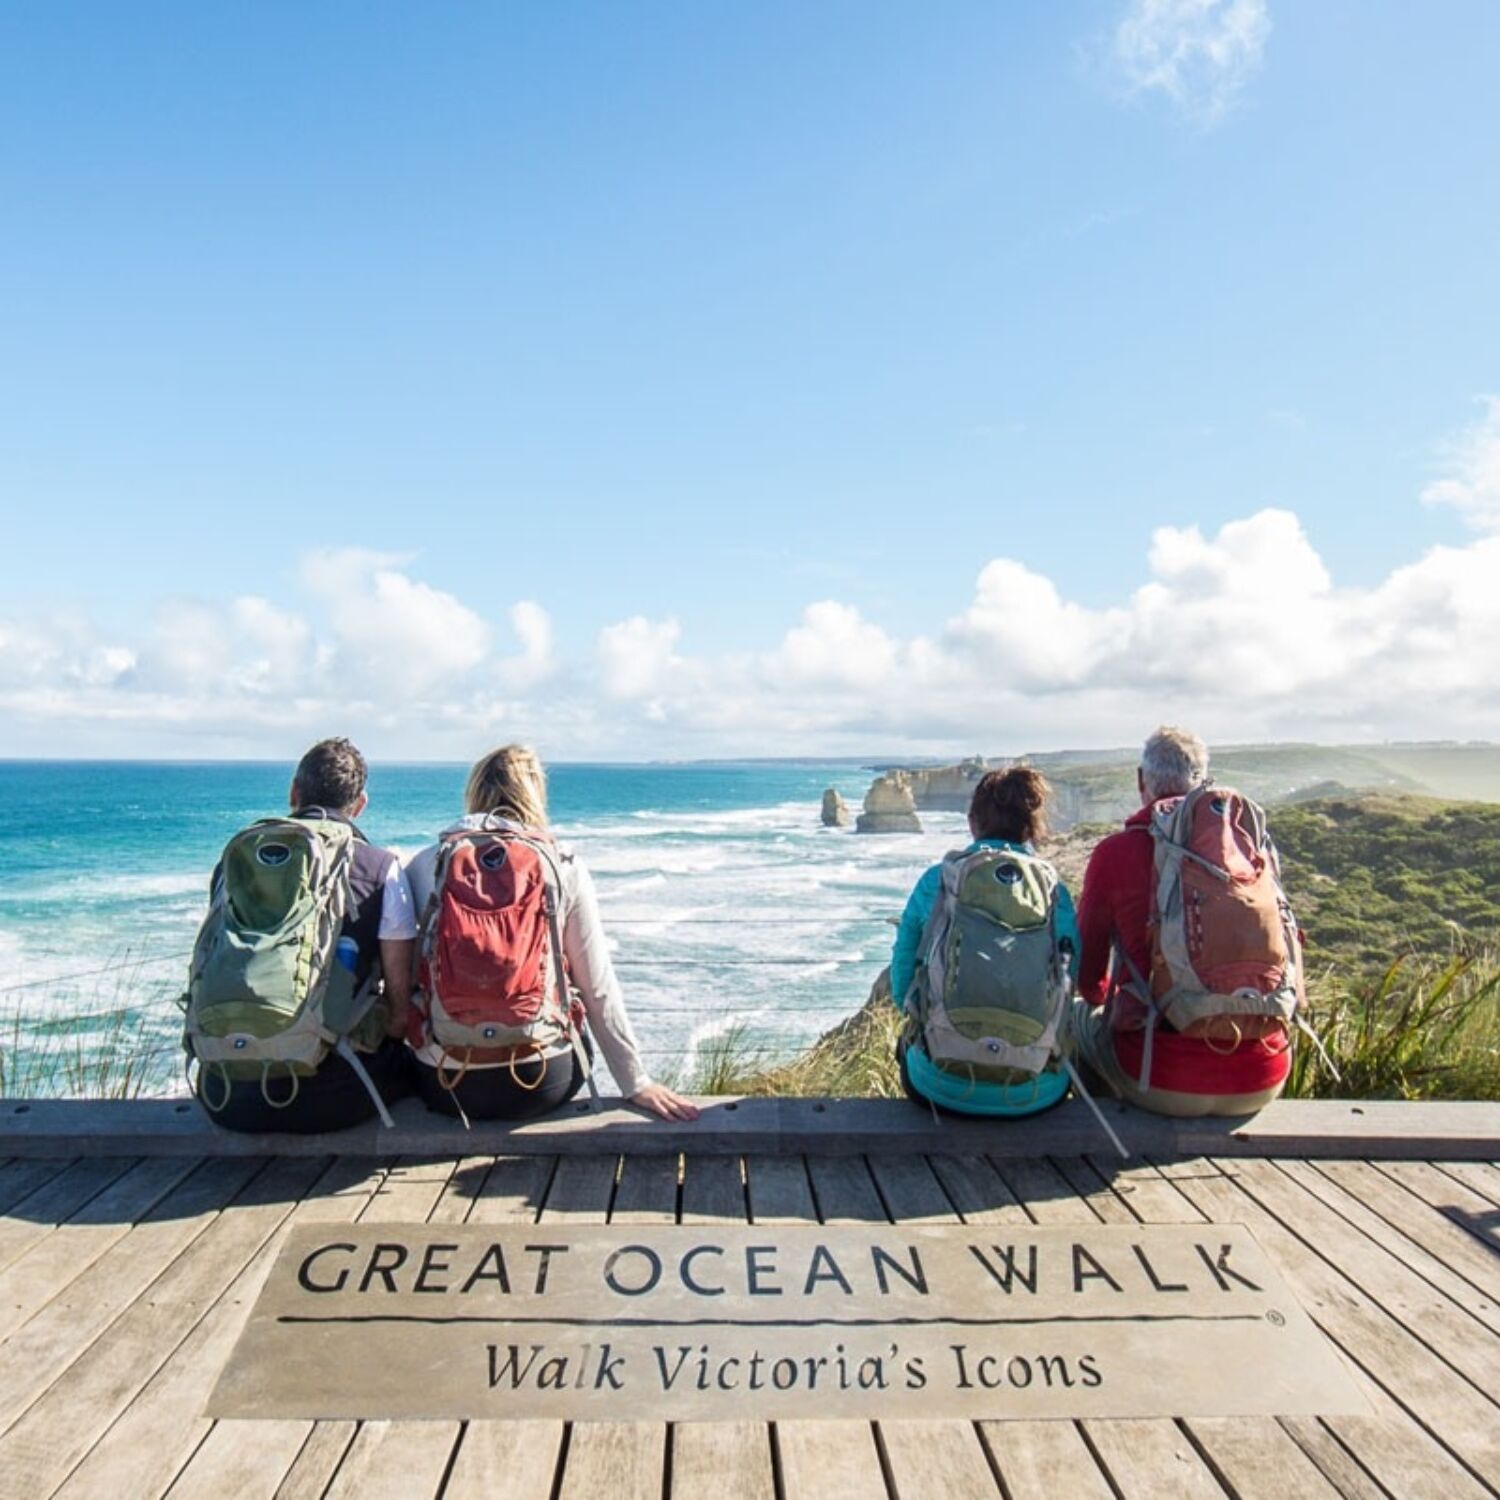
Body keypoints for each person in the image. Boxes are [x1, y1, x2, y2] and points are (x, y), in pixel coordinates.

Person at [403, 745, 699, 1123]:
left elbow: (406, 974)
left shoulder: (426, 863)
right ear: (534, 794)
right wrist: (635, 1081)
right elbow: (597, 986)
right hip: (541, 1080)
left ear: (474, 792)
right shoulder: (563, 865)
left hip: (446, 1083)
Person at [189, 737, 417, 1132]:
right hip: (328, 1097)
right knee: (410, 1064)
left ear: (294, 793)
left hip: (226, 1096)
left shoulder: (238, 859)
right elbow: (399, 1013)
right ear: (360, 804)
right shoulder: (380, 868)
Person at [1074, 725, 1293, 1117]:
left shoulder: (1116, 852)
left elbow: (1087, 978)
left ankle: (1105, 1132)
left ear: (1141, 780)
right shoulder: (1250, 852)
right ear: (1203, 781)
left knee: (1075, 1019)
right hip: (1264, 1075)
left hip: (1161, 1078)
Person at [891, 766, 1080, 1117]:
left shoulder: (938, 880)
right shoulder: (1056, 892)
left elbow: (902, 978)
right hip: (1033, 1093)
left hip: (937, 1085)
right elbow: (1071, 977)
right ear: (1031, 827)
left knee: (908, 1050)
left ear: (972, 821)